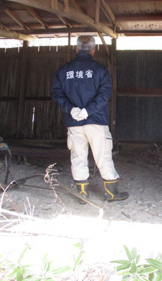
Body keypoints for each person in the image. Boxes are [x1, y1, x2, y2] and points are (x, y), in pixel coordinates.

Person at [51, 35, 128, 203]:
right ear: (94, 50)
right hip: (97, 121)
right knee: (103, 156)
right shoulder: (100, 70)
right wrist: (88, 111)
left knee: (78, 156)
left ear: (76, 49)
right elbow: (104, 94)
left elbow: (57, 94)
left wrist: (71, 109)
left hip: (74, 122)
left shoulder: (64, 71)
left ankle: (82, 194)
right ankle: (112, 193)